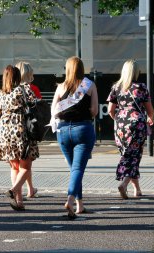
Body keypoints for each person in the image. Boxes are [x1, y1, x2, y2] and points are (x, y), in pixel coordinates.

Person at [50, 56, 98, 219]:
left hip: (63, 131)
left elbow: (54, 110)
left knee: (74, 170)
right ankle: (70, 200)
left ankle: (80, 205)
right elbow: (94, 111)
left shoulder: (60, 87)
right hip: (83, 129)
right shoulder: (89, 85)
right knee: (77, 170)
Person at [0, 65, 39, 211]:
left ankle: (19, 201)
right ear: (18, 77)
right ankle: (14, 189)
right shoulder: (23, 89)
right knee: (26, 166)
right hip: (20, 131)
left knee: (15, 166)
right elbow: (35, 104)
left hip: (4, 133)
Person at [107, 59, 154, 199]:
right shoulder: (141, 87)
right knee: (134, 156)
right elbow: (150, 110)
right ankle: (124, 184)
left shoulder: (116, 87)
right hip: (137, 125)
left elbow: (110, 110)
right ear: (136, 72)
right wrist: (150, 118)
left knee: (128, 155)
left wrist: (119, 120)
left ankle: (137, 190)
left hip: (120, 125)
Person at [15, 61, 40, 198]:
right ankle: (23, 189)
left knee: (17, 165)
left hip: (12, 131)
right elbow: (38, 108)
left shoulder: (11, 89)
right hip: (29, 130)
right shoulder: (32, 89)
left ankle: (28, 189)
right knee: (27, 163)